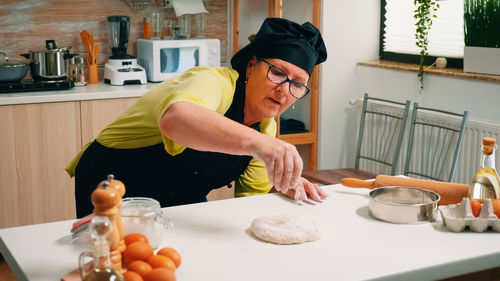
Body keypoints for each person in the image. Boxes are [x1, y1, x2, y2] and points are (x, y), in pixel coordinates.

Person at [66, 18, 328, 218]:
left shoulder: (266, 129)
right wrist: (260, 144)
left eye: (297, 84)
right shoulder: (214, 82)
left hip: (179, 202)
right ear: (251, 65)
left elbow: (249, 204)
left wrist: (282, 185)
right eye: (277, 72)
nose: (284, 89)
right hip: (115, 185)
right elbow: (177, 120)